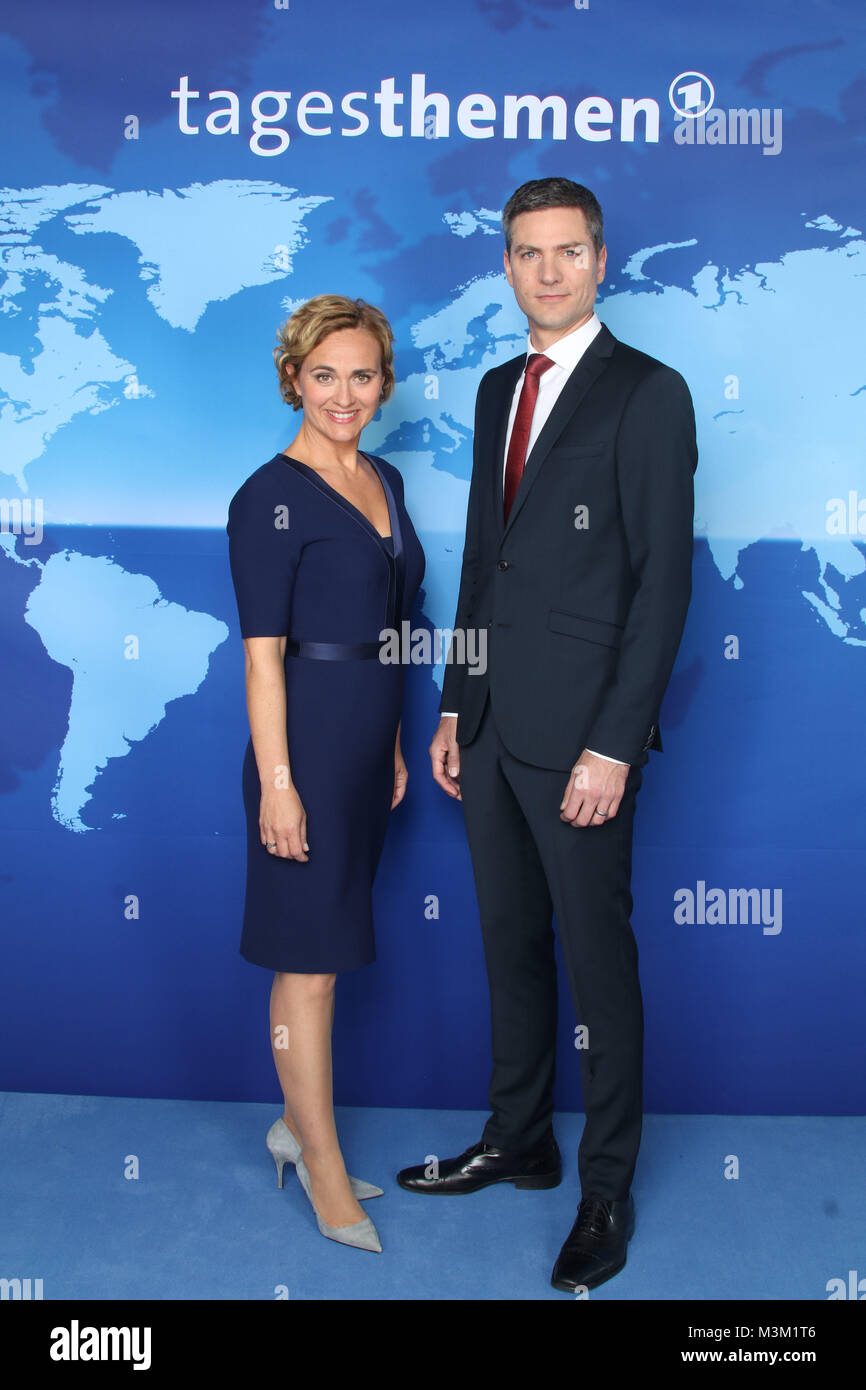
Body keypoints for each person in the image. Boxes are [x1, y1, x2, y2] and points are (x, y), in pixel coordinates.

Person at [397, 178, 697, 1292]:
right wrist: (448, 699)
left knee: (597, 966)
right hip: (487, 731)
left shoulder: (648, 394)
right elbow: (484, 558)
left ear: (601, 258)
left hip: (583, 744)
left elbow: (661, 585)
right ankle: (516, 1137)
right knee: (507, 948)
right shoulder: (492, 391)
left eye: (567, 251)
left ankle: (604, 1187)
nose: (548, 270)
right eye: (527, 253)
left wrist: (613, 745)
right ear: (507, 266)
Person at [227, 294, 425, 1254]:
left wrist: (389, 741)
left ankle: (293, 1129)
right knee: (306, 965)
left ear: (383, 383)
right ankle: (322, 1163)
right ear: (292, 380)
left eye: (362, 375)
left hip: (364, 748)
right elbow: (265, 657)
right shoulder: (269, 494)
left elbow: (386, 628)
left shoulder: (383, 475)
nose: (344, 394)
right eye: (324, 376)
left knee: (332, 948)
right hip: (300, 756)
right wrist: (278, 782)